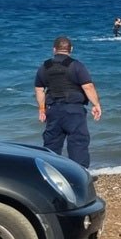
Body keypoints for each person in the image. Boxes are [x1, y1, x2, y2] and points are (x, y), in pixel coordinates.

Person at [34, 36, 102, 168]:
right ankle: (79, 173)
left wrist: (42, 109)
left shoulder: (44, 67)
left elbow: (39, 89)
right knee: (78, 142)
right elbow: (88, 86)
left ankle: (50, 174)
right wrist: (96, 104)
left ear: (54, 49)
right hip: (73, 110)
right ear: (71, 49)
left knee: (51, 144)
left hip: (53, 109)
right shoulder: (76, 65)